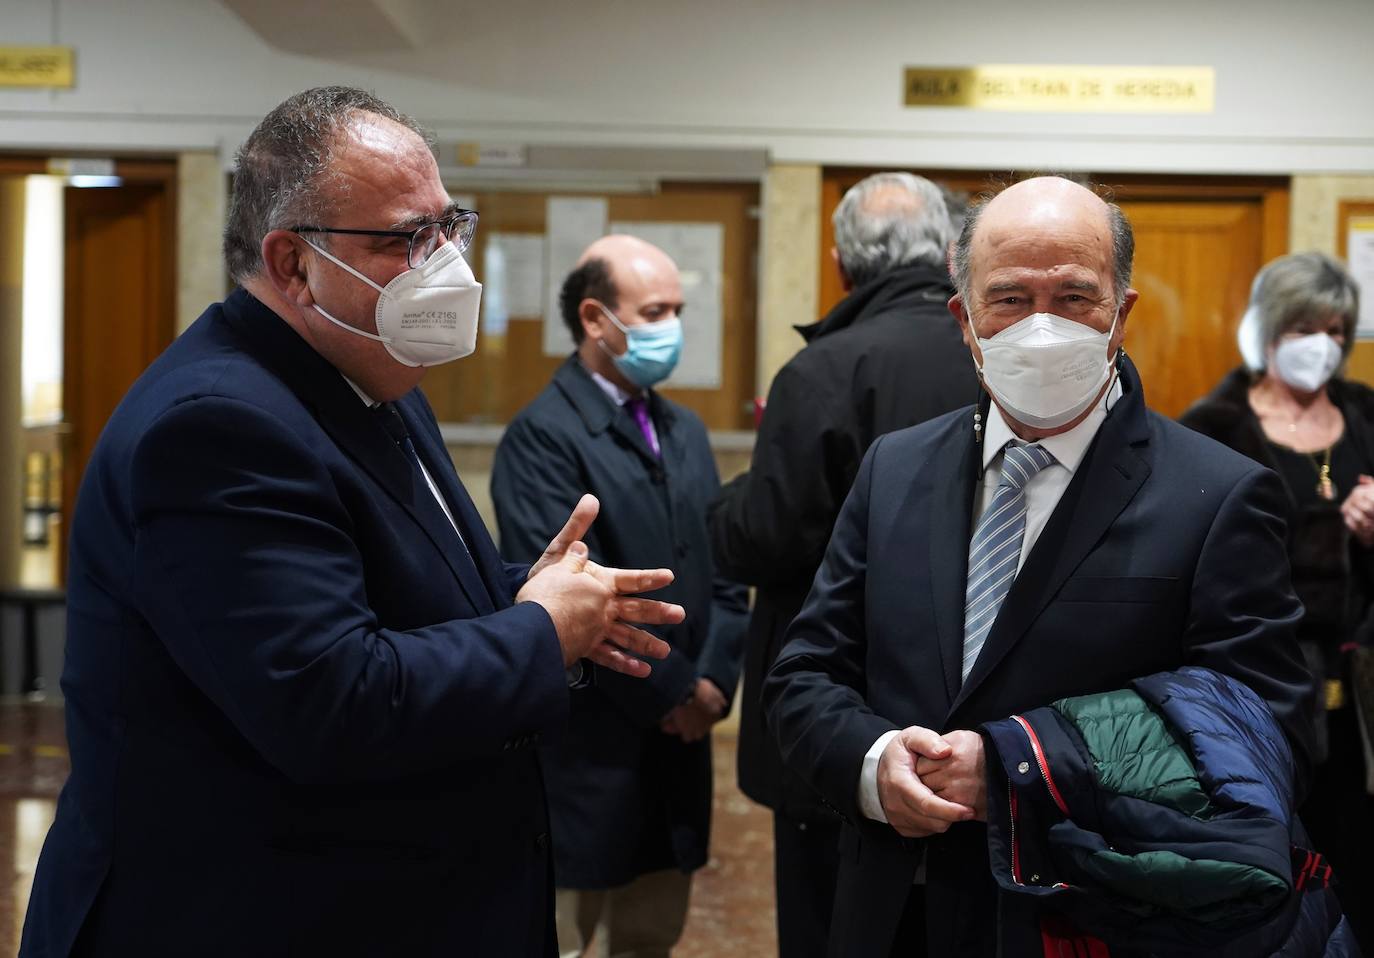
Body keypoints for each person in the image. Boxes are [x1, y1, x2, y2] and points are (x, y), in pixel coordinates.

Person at [20, 87, 684, 958]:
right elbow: (330, 699)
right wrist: (538, 632)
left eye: (450, 227)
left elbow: (382, 596)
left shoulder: (371, 378)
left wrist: (536, 594)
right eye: (405, 238)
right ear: (293, 264)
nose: (444, 261)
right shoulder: (219, 425)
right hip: (255, 915)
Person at [762, 176, 1317, 957]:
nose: (1042, 327)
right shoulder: (897, 467)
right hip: (893, 910)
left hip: (1088, 918)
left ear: (1121, 314)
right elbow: (804, 674)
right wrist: (873, 761)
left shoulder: (1216, 493)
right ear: (965, 320)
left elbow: (1266, 728)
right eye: (1011, 299)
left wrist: (1019, 767)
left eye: (1075, 297)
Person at [707, 171, 976, 956]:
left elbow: (767, 537)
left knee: (839, 925)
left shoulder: (826, 369)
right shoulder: (993, 357)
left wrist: (722, 504)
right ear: (952, 253)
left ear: (840, 264)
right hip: (981, 724)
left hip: (840, 721)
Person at [491, 234, 749, 958]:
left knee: (650, 940)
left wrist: (714, 687)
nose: (674, 327)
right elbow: (577, 599)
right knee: (565, 940)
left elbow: (725, 567)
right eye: (657, 310)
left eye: (679, 309)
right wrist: (674, 695)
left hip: (681, 742)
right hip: (594, 747)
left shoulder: (684, 428)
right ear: (597, 319)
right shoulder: (541, 437)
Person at [1179, 251, 1373, 949]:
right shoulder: (1214, 426)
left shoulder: (1366, 417)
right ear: (1266, 331)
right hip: (1257, 689)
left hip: (1362, 703)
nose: (1320, 344)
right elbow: (1191, 556)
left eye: (1334, 328)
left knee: (1360, 864)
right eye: (1302, 327)